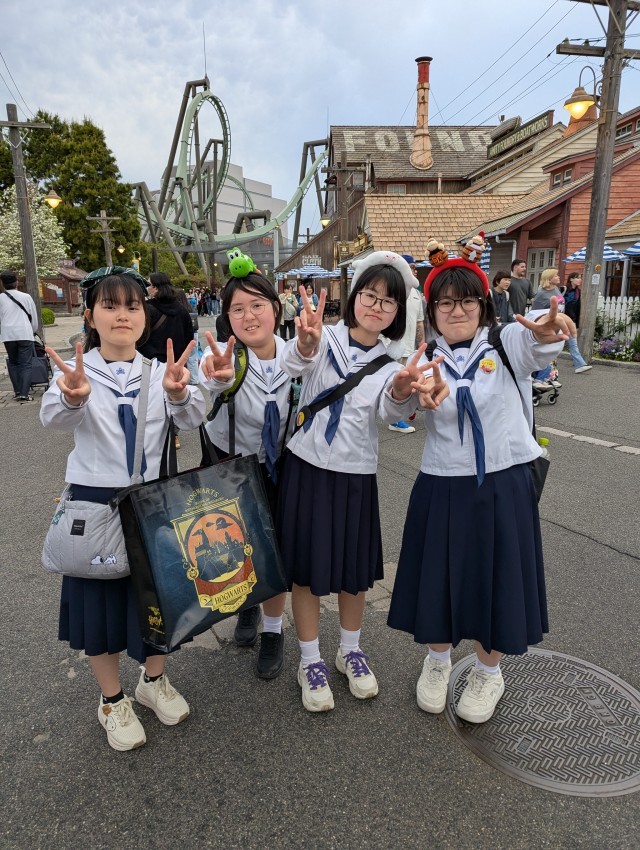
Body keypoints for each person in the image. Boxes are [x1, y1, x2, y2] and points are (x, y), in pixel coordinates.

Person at [387, 244, 573, 724]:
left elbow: (537, 341)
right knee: (438, 576)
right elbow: (395, 407)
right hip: (440, 482)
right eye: (446, 303)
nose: (457, 311)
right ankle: (437, 662)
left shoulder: (505, 343)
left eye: (467, 301)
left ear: (484, 304)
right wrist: (404, 389)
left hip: (502, 483)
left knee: (496, 578)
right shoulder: (424, 358)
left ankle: (489, 672)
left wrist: (548, 328)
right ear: (431, 311)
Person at [40, 268, 205, 751]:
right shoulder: (77, 370)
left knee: (160, 600)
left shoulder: (159, 370)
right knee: (101, 608)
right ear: (90, 316)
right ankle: (111, 700)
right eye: (110, 306)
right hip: (95, 503)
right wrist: (72, 398)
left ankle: (153, 681)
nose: (123, 315)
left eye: (133, 306)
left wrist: (181, 393)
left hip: (151, 503)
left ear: (144, 317)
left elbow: (192, 417)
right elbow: (52, 416)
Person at [276, 251, 448, 712]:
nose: (376, 306)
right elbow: (292, 366)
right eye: (370, 295)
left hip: (355, 474)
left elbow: (389, 411)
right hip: (307, 467)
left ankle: (349, 650)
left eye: (388, 302)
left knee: (354, 573)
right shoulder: (323, 337)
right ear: (355, 297)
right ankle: (309, 660)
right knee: (307, 570)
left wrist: (401, 390)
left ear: (397, 313)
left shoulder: (391, 364)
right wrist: (304, 345)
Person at [198, 268, 295, 678]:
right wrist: (209, 377)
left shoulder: (298, 357)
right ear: (227, 317)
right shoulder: (223, 357)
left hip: (282, 468)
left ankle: (273, 629)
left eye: (257, 305)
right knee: (235, 545)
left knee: (275, 551)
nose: (249, 316)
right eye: (238, 309)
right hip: (230, 468)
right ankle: (246, 604)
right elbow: (202, 382)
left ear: (276, 309)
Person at [387, 255, 426, 434]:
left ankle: (405, 411)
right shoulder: (392, 289)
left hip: (411, 347)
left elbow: (419, 322)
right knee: (394, 383)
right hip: (393, 345)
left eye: (415, 267)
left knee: (408, 381)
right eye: (411, 267)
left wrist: (422, 344)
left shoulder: (416, 293)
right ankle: (394, 420)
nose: (415, 270)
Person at [0, 270, 38, 402]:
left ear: (2, 283)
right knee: (25, 364)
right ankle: (24, 394)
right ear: (16, 282)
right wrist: (33, 330)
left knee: (13, 362)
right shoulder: (26, 297)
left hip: (8, 335)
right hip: (25, 333)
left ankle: (17, 391)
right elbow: (33, 317)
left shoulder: (0, 298)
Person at [563, 272, 592, 373]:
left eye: (580, 278)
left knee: (573, 343)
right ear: (571, 279)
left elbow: (578, 309)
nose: (580, 279)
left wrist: (577, 324)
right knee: (554, 343)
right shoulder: (563, 290)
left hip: (572, 321)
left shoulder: (578, 292)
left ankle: (580, 365)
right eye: (577, 278)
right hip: (560, 319)